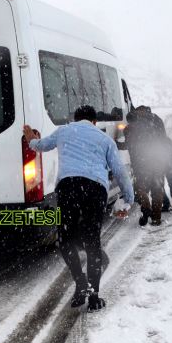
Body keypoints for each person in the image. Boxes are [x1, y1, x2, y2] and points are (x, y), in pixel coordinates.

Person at [24, 105, 134, 312]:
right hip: (95, 190)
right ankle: (94, 296)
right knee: (92, 241)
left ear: (75, 119)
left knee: (65, 240)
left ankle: (80, 281)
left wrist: (30, 138)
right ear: (94, 122)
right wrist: (128, 199)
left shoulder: (64, 131)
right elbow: (120, 171)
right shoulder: (105, 140)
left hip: (68, 188)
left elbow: (40, 146)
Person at [125, 106, 168, 226]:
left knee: (141, 188)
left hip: (142, 162)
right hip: (159, 159)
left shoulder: (132, 126)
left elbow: (129, 144)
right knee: (157, 189)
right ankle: (156, 218)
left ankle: (146, 208)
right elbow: (163, 138)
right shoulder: (157, 120)